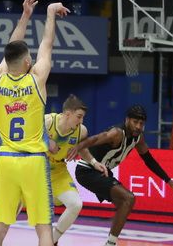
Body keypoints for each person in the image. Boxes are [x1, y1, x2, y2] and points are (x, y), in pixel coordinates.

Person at [0, 0, 70, 246]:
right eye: (29, 57)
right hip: (33, 161)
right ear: (26, 61)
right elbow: (47, 44)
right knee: (44, 229)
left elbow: (11, 48)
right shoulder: (36, 79)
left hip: (6, 160)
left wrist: (25, 16)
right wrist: (50, 13)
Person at [66, 104, 173, 246]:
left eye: (141, 123)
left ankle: (110, 240)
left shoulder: (138, 138)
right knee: (128, 198)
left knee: (124, 203)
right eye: (135, 122)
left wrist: (171, 183)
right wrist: (77, 147)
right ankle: (111, 243)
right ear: (127, 120)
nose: (138, 126)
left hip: (103, 172)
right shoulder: (117, 133)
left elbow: (149, 160)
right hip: (87, 170)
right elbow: (95, 139)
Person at [45, 94, 105, 245]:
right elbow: (27, 138)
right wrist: (47, 141)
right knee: (16, 208)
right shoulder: (47, 121)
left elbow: (82, 149)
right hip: (37, 169)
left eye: (83, 117)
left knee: (75, 204)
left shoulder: (81, 131)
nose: (81, 121)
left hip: (58, 170)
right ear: (67, 114)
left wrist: (94, 162)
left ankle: (52, 241)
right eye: (79, 117)